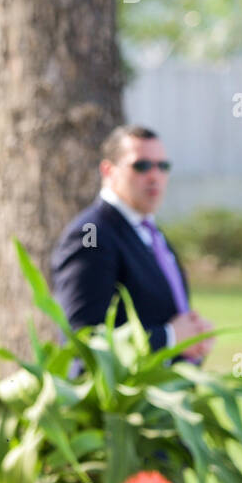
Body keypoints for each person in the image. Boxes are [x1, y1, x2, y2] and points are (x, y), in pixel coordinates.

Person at [51, 125, 214, 363]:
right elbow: (84, 338)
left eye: (163, 166)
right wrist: (169, 338)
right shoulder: (91, 234)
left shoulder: (148, 230)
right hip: (118, 398)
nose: (154, 175)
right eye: (142, 165)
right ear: (108, 170)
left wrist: (194, 337)